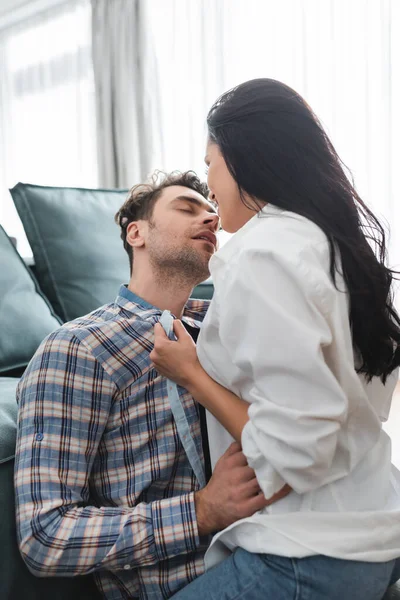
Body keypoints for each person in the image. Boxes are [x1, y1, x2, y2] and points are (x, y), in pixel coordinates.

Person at [150, 79, 400, 599]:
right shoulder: (336, 248)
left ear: (245, 158)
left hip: (309, 554)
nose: (210, 197)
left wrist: (193, 374)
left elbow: (297, 452)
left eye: (210, 164)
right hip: (372, 530)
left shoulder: (264, 254)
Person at [14, 171, 272, 600]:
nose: (211, 220)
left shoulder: (227, 321)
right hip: (191, 581)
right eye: (188, 208)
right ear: (137, 233)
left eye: (212, 212)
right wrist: (200, 511)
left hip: (270, 536)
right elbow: (45, 536)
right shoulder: (79, 346)